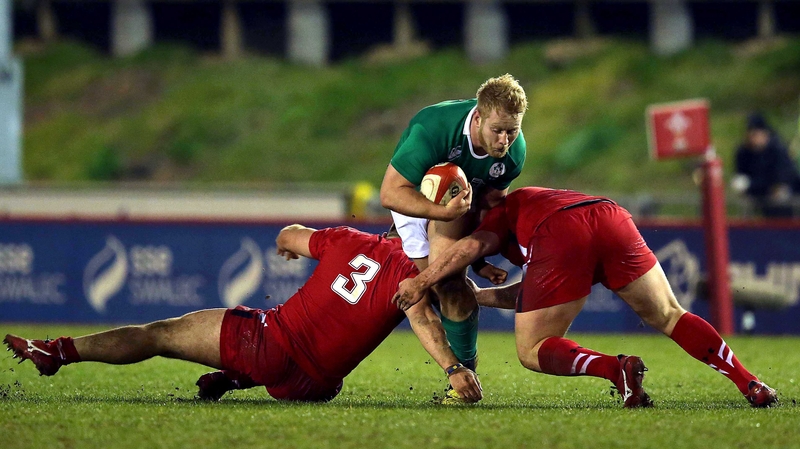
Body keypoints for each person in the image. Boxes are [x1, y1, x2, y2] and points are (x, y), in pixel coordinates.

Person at [4, 225, 483, 403]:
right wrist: (455, 369)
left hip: (269, 345)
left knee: (159, 334)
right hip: (313, 388)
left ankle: (58, 351)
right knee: (292, 356)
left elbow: (288, 233)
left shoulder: (348, 240)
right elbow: (424, 318)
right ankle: (235, 379)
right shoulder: (416, 276)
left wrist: (288, 248)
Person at [392, 187, 778, 408]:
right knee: (670, 314)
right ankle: (750, 383)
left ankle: (615, 369)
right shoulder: (538, 200)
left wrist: (421, 281)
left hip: (562, 232)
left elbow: (472, 246)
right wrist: (484, 296)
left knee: (532, 350)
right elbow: (538, 295)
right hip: (610, 215)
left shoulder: (501, 212)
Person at [379, 73, 527, 375]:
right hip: (412, 201)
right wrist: (443, 213)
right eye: (497, 130)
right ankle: (461, 365)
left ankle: (464, 376)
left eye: (512, 131)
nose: (504, 141)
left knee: (449, 285)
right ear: (477, 119)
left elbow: (491, 203)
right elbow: (390, 193)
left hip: (459, 209)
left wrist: (480, 258)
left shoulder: (514, 153)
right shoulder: (434, 127)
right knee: (434, 290)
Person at [732, 112, 800, 218]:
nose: (753, 139)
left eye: (756, 134)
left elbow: (781, 181)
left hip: (784, 197)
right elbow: (741, 174)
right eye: (751, 134)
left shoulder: (778, 150)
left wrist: (751, 185)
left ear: (765, 134)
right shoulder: (744, 152)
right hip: (759, 194)